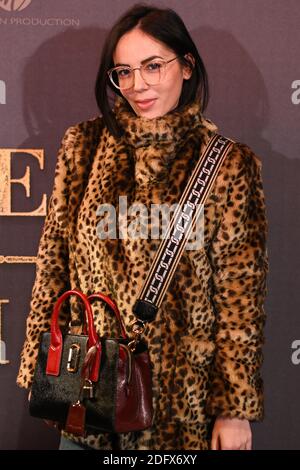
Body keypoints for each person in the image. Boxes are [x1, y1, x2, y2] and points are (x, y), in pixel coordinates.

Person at [17, 4, 269, 451]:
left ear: (187, 65)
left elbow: (240, 301)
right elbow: (53, 263)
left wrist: (234, 410)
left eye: (153, 66)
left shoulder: (227, 163)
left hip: (181, 412)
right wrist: (39, 367)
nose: (137, 85)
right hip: (87, 397)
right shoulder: (83, 146)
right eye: (123, 72)